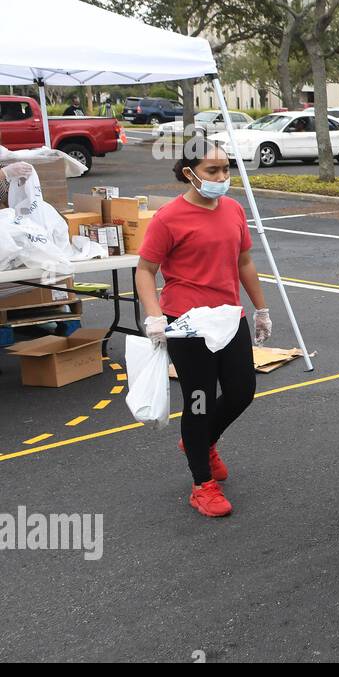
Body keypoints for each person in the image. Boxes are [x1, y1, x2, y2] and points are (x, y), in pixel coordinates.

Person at [135, 138, 273, 518]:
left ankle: (200, 442)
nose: (222, 177)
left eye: (226, 169)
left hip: (230, 317)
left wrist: (260, 309)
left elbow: (244, 262)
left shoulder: (232, 209)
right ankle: (202, 484)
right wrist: (154, 316)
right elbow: (145, 270)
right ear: (189, 174)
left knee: (242, 391)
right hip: (187, 323)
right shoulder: (168, 218)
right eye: (213, 171)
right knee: (200, 402)